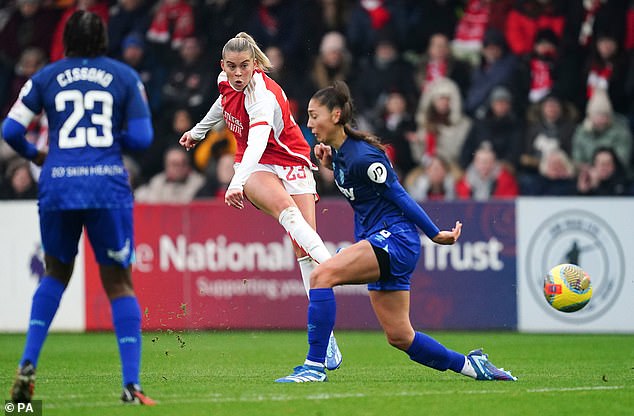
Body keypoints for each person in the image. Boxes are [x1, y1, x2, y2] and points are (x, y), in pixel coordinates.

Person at [275, 81, 517, 383]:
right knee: (401, 336)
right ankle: (472, 366)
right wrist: (329, 163)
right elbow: (357, 185)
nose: (309, 124)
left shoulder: (365, 156)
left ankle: (314, 366)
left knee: (321, 276)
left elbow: (399, 195)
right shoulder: (340, 154)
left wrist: (433, 233)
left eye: (314, 116)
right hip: (381, 241)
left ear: (336, 115)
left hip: (394, 239)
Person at [1, 11, 155, 405]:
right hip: (106, 185)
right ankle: (131, 385)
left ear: (66, 38)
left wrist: (36, 155)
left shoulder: (45, 76)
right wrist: (108, 135)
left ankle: (28, 364)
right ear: (103, 38)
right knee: (119, 282)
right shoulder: (124, 76)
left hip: (59, 183)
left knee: (54, 273)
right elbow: (142, 138)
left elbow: (10, 130)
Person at [178, 32, 343, 370]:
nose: (238, 74)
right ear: (223, 66)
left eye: (244, 67)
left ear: (255, 66)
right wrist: (199, 131)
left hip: (292, 160)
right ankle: (335, 265)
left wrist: (235, 182)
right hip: (257, 166)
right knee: (288, 215)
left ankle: (325, 337)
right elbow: (221, 105)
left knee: (302, 251)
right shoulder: (225, 81)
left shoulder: (262, 95)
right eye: (232, 67)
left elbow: (257, 140)